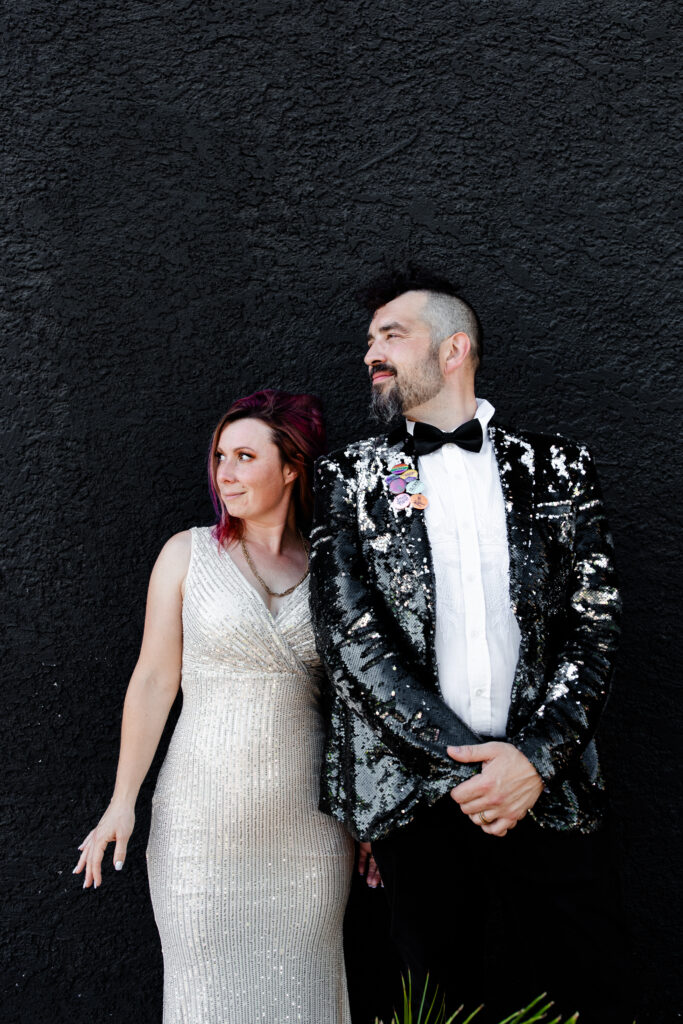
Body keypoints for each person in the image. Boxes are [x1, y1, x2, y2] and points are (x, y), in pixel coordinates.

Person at [310, 268, 631, 1023]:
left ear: (453, 349)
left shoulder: (558, 467)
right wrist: (462, 764)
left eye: (391, 336)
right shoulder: (350, 476)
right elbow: (349, 635)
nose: (370, 355)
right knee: (434, 1000)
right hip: (416, 799)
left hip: (545, 793)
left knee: (578, 993)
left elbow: (595, 624)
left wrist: (531, 762)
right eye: (368, 341)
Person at [74, 389, 355, 1024]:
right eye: (220, 456)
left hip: (307, 828)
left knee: (303, 995)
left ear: (291, 467)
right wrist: (123, 800)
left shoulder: (334, 566)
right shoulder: (187, 554)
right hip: (201, 825)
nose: (224, 472)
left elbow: (353, 704)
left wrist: (364, 815)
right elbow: (152, 680)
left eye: (245, 456)